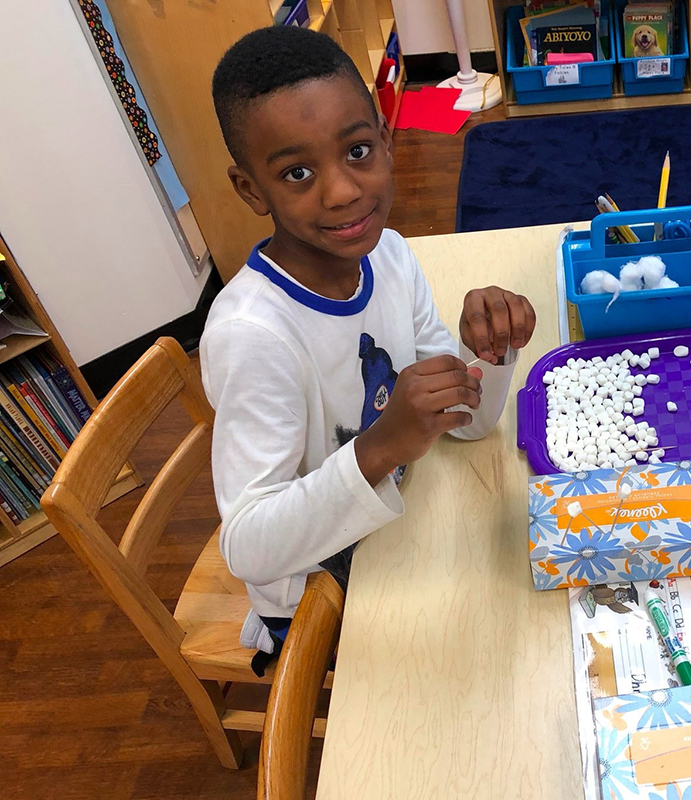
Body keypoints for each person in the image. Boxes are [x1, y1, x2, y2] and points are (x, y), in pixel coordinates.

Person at [202, 25, 536, 664]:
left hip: (400, 519)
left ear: (386, 141)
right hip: (321, 592)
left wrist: (486, 358)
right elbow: (247, 544)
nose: (342, 191)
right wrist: (382, 445)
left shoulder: (386, 251)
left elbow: (466, 426)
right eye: (297, 172)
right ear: (251, 190)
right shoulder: (252, 338)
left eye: (357, 152)